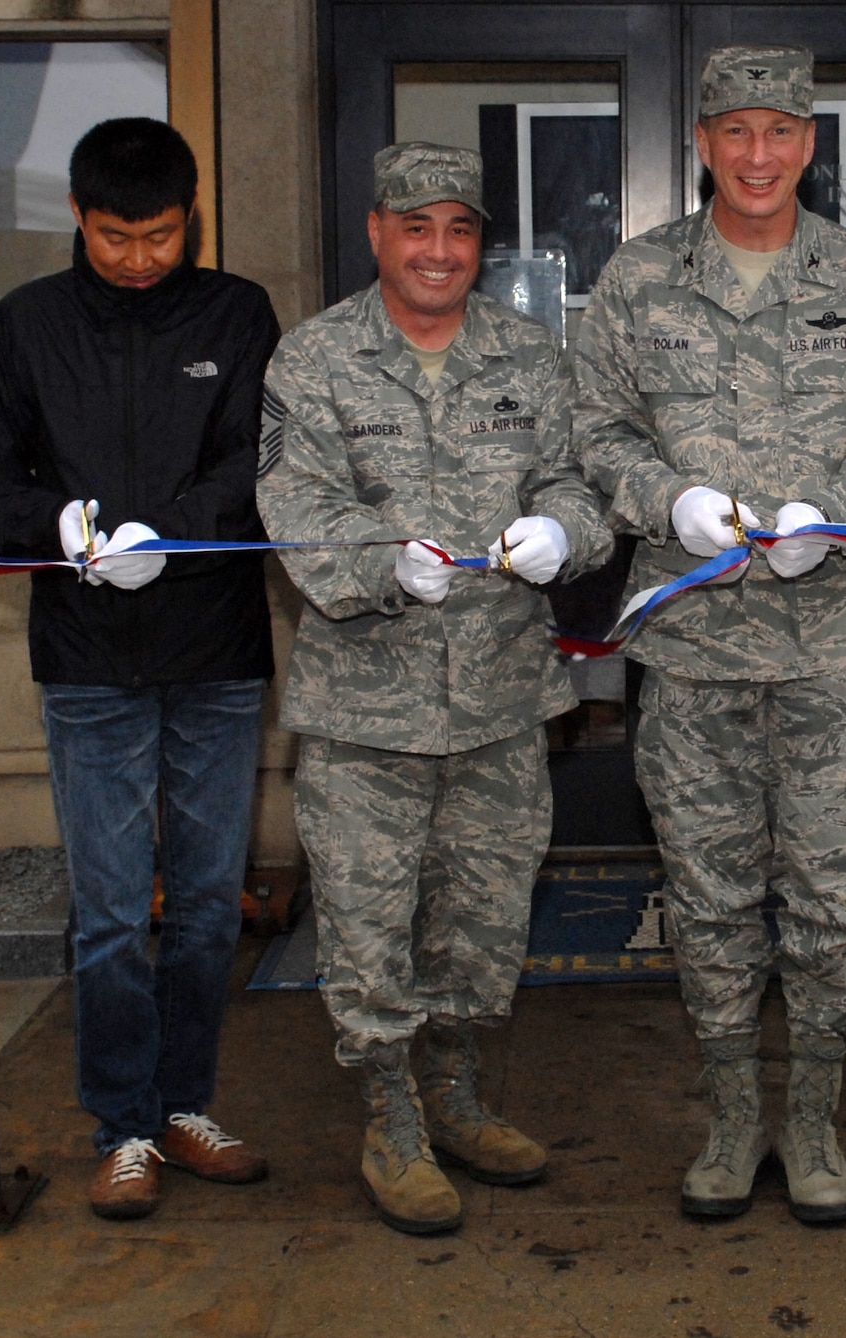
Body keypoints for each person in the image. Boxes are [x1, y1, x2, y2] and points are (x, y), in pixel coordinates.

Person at [573, 46, 846, 1224]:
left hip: (834, 643)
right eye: (733, 131)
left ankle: (813, 1117)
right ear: (701, 142)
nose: (756, 154)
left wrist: (839, 514)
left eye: (779, 131)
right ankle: (734, 1113)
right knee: (712, 895)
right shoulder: (637, 279)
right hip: (690, 651)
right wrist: (664, 500)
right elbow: (596, 430)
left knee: (832, 900)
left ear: (809, 142)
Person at [258, 142, 611, 1235]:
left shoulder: (530, 356)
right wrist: (376, 560)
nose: (438, 250)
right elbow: (292, 497)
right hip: (365, 705)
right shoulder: (311, 360)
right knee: (369, 926)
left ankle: (454, 1094)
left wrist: (564, 527)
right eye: (416, 227)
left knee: (482, 919)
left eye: (459, 230)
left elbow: (579, 483)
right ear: (376, 232)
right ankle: (388, 1119)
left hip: (501, 699)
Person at [0, 117, 280, 1220]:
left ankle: (183, 1106)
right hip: (87, 656)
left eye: (159, 234)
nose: (139, 257)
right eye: (114, 236)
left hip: (214, 649)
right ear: (78, 221)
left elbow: (256, 460)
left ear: (191, 217)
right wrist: (58, 526)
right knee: (108, 908)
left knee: (200, 903)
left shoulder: (235, 313)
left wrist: (171, 536)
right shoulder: (28, 326)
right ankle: (121, 1127)